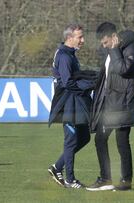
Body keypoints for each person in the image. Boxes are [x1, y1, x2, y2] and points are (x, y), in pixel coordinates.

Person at [86, 22, 134, 191]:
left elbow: (122, 69)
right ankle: (106, 178)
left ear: (113, 37)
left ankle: (125, 181)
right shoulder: (112, 51)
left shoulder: (131, 50)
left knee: (122, 142)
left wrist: (114, 49)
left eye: (105, 42)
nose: (104, 46)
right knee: (100, 139)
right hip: (110, 105)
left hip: (124, 105)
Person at [48, 23, 97, 189]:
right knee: (71, 141)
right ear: (69, 38)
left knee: (84, 137)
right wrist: (88, 85)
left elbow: (73, 78)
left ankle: (56, 167)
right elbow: (68, 82)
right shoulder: (64, 56)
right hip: (67, 104)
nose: (83, 40)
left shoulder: (70, 54)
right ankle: (70, 179)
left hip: (75, 102)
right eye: (80, 37)